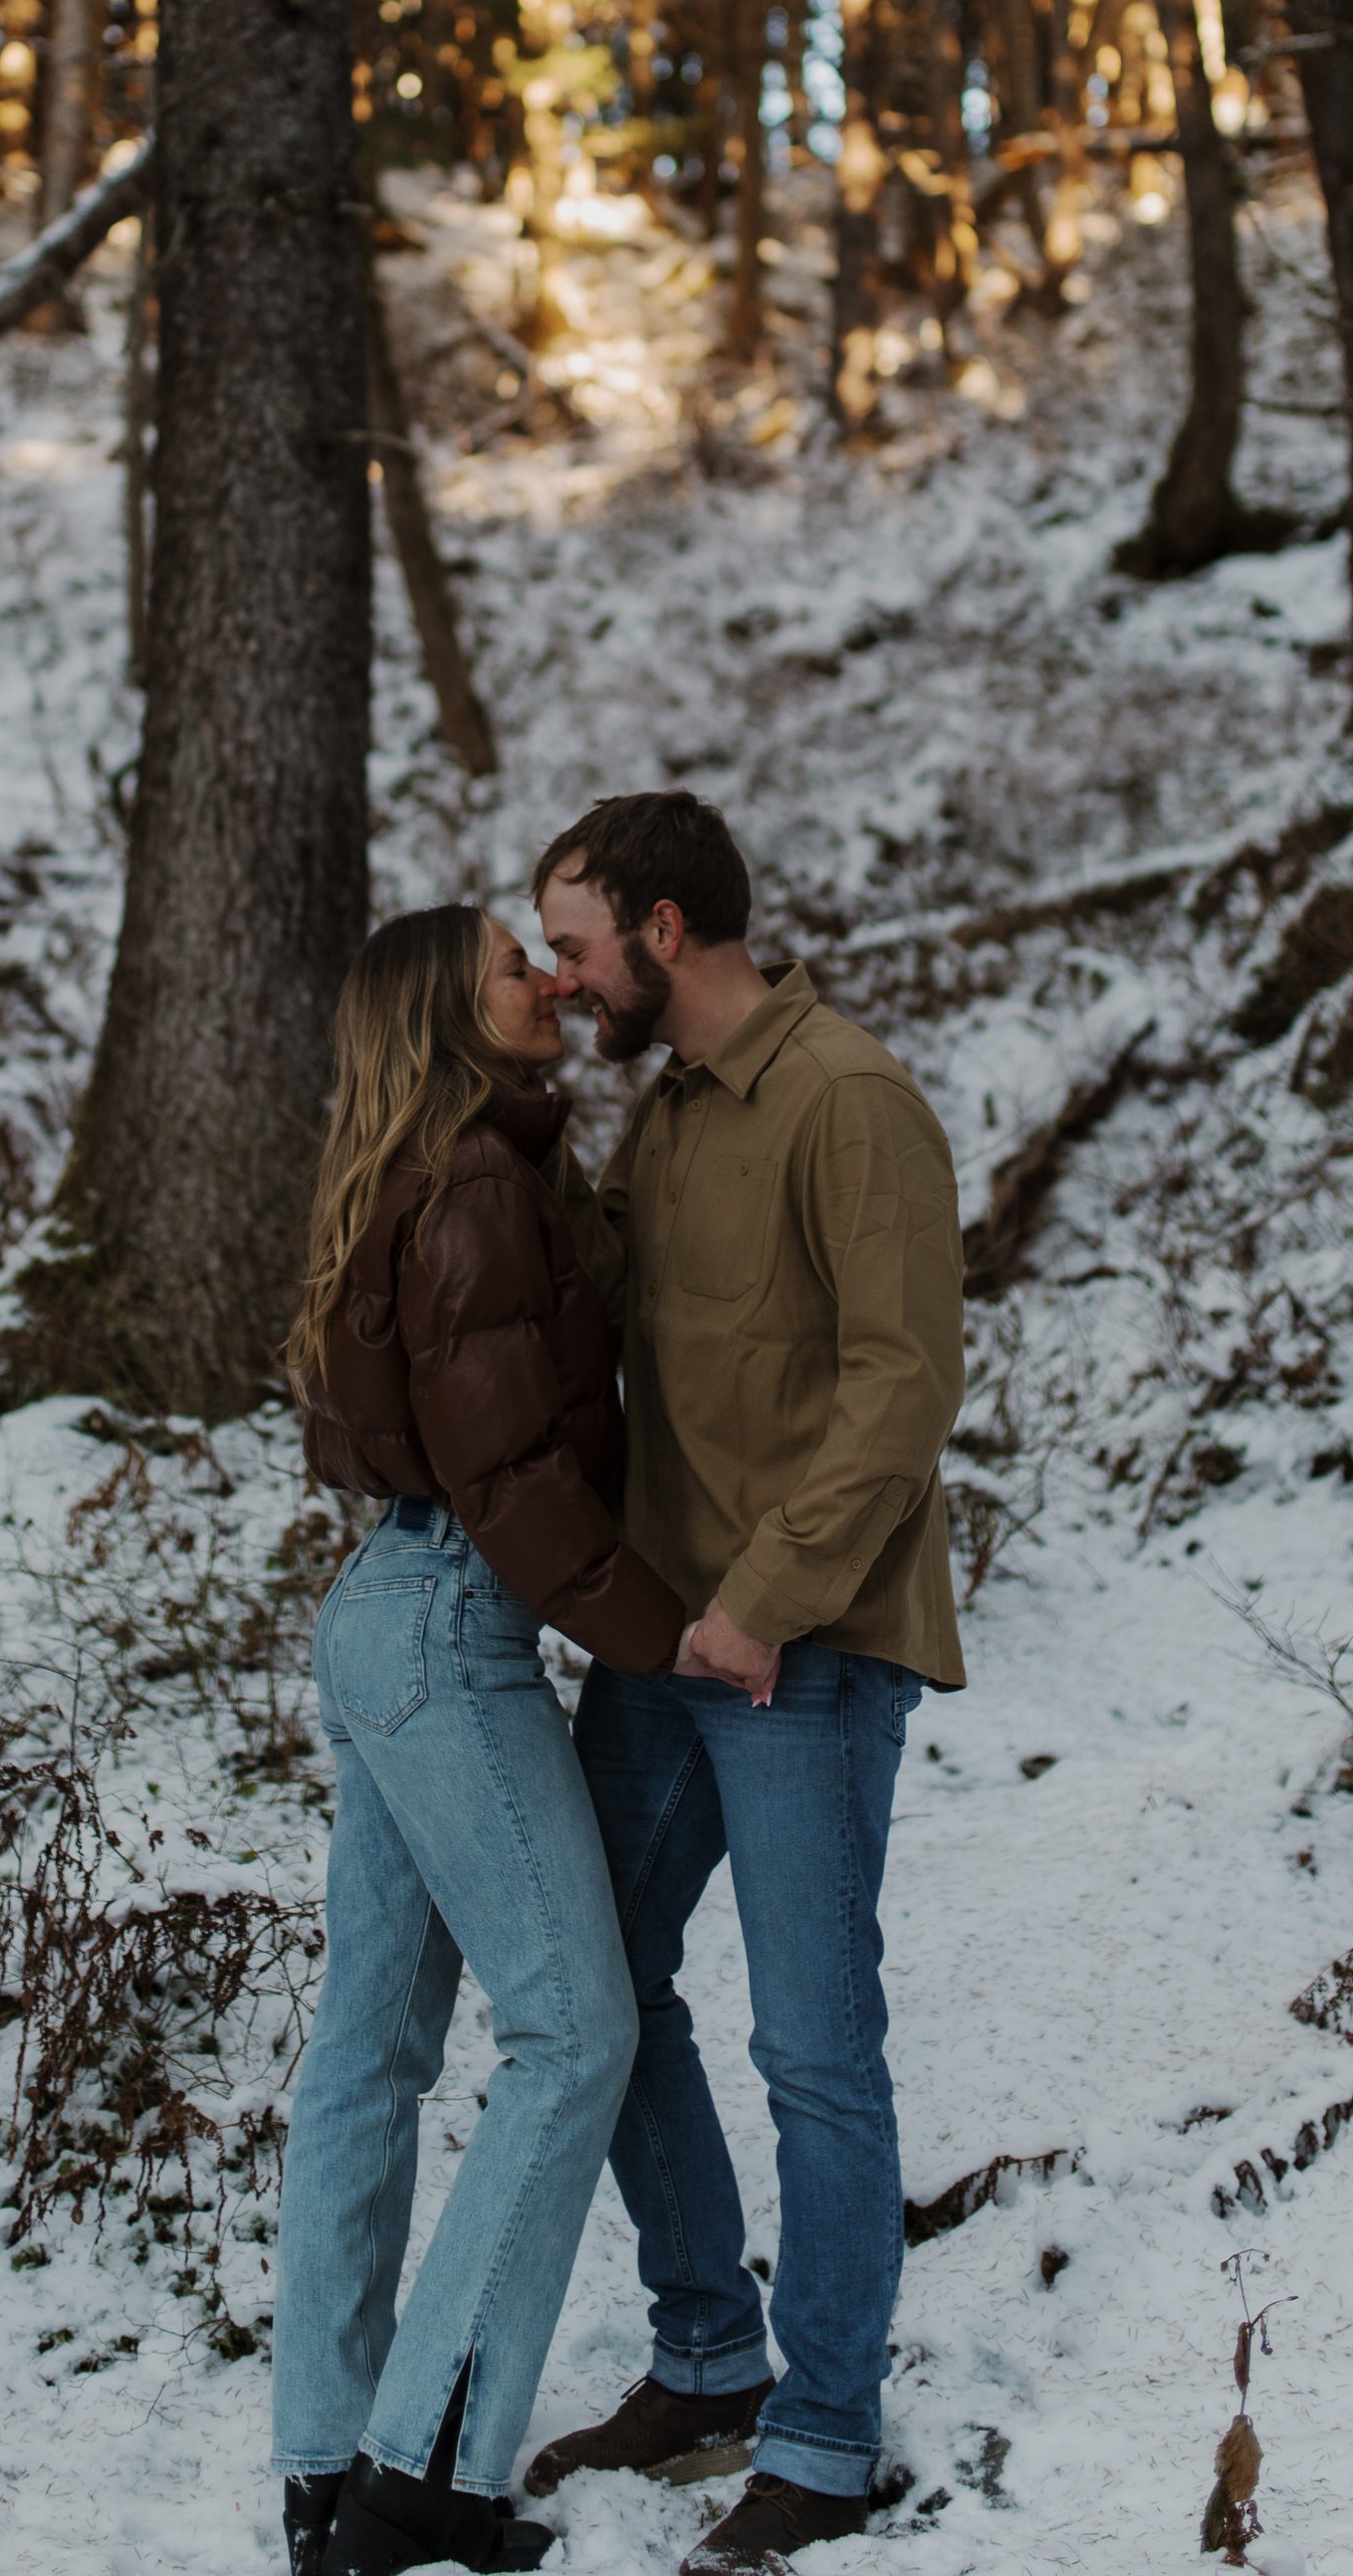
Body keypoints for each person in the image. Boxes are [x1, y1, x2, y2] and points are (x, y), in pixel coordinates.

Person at [524, 793, 967, 2576]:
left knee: (814, 2049)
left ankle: (830, 2432)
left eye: (573, 944)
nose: (563, 978)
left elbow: (901, 1386)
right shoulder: (672, 1106)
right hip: (665, 1641)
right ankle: (707, 2349)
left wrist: (770, 1603)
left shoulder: (847, 1100)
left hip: (805, 1651)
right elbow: (605, 1294)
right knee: (599, 1989)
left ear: (664, 925)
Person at [272, 904, 689, 2576]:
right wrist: (674, 1637)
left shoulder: (411, 1169)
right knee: (575, 2031)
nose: (552, 979)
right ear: (457, 1016)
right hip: (448, 1628)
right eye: (520, 968)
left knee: (368, 2054)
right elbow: (514, 1482)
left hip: (382, 1608)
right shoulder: (483, 1191)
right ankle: (418, 2471)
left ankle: (322, 2465)